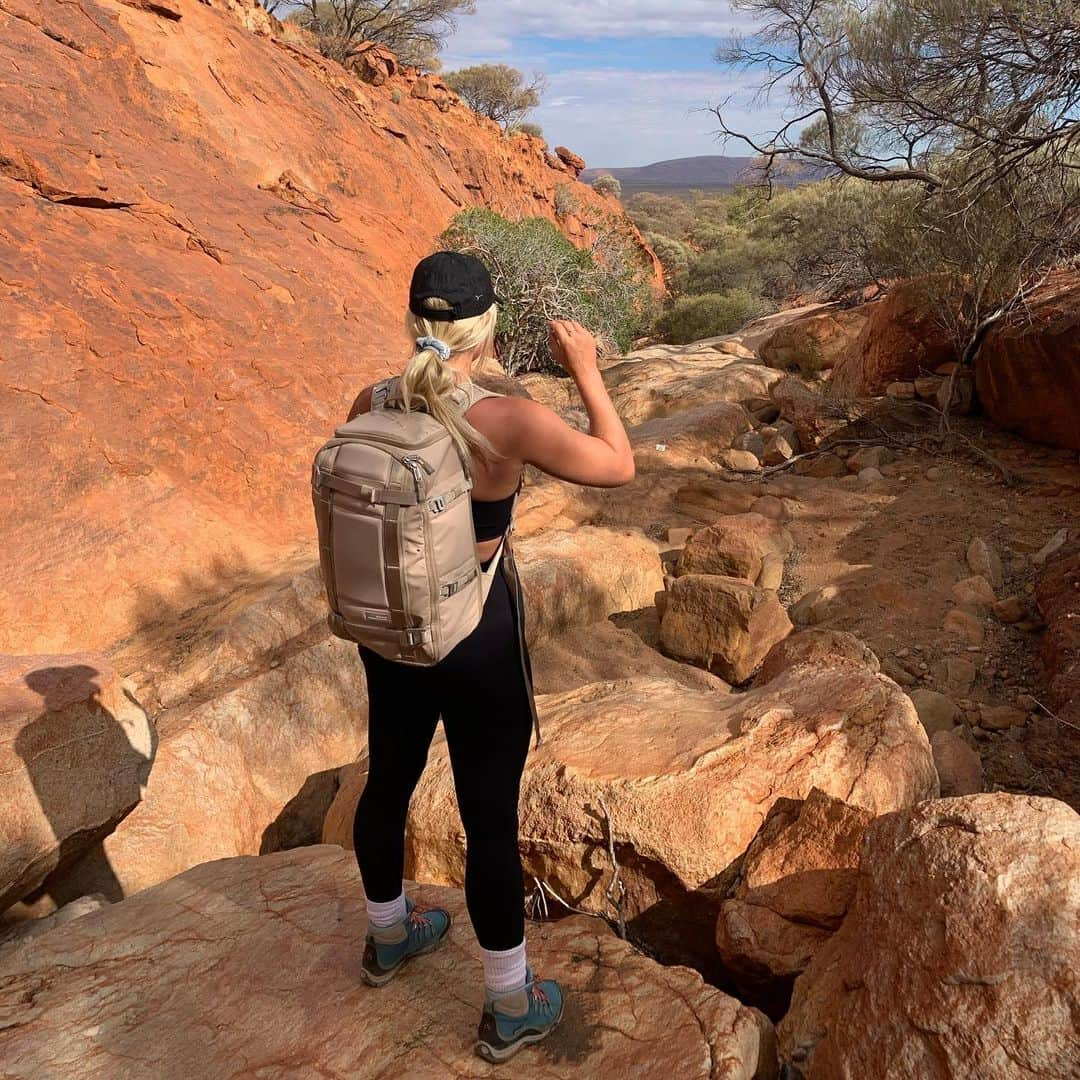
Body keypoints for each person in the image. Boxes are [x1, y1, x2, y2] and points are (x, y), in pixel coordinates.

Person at [347, 251, 634, 1063]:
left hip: (393, 629)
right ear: (490, 325)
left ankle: (388, 935)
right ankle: (511, 1003)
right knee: (487, 819)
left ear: (414, 323)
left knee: (388, 781)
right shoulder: (507, 418)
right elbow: (618, 465)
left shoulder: (372, 399)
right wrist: (583, 369)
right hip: (474, 632)